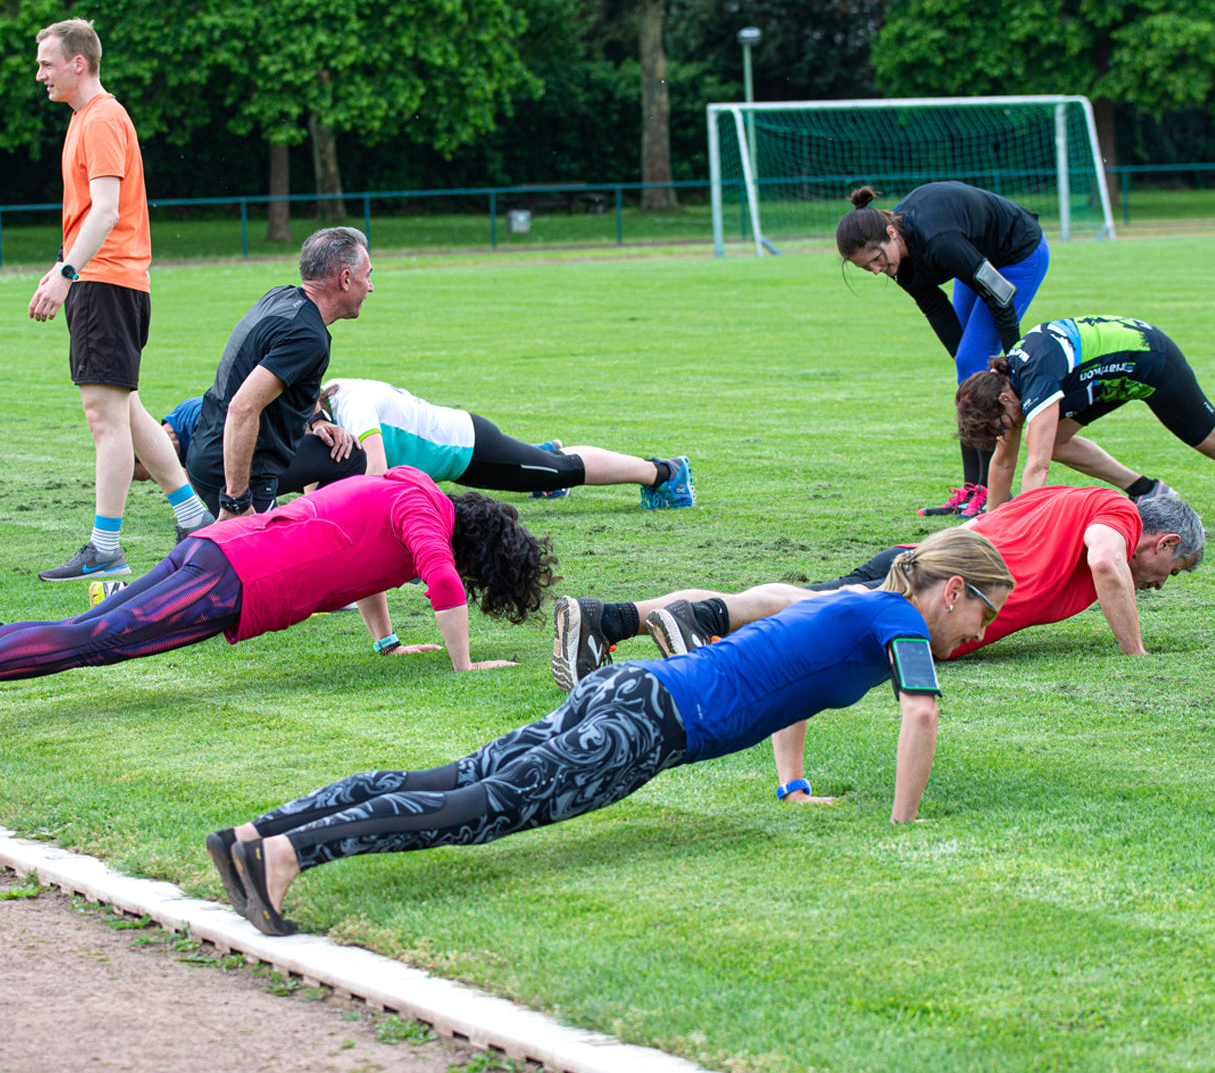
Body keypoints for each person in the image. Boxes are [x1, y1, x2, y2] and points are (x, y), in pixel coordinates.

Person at [204, 527, 1013, 935]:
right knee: (482, 805)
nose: (978, 630)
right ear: (950, 591)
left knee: (454, 779)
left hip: (633, 686)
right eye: (983, 610)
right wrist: (904, 822)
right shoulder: (902, 622)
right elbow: (922, 709)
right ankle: (286, 855)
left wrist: (790, 781)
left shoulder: (860, 607)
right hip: (651, 723)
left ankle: (251, 835)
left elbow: (795, 681)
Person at [552, 488, 1204, 703]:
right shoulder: (1114, 513)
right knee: (809, 609)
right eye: (1167, 572)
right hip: (931, 583)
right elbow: (1110, 565)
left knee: (810, 600)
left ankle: (606, 618)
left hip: (930, 571)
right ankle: (694, 618)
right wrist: (1136, 654)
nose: (1156, 584)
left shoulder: (1065, 498)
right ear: (1165, 543)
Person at [0, 467, 556, 681]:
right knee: (95, 644)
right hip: (238, 578)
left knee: (83, 628)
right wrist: (465, 664)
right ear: (479, 553)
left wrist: (388, 643)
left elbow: (371, 573)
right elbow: (442, 580)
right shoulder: (426, 516)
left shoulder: (410, 485)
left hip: (216, 548)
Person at [28, 18, 212, 581]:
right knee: (126, 411)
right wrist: (66, 271)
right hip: (104, 282)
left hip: (107, 282)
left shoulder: (103, 118)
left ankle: (105, 544)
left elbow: (106, 211)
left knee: (103, 416)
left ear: (78, 63)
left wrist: (67, 271)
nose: (40, 75)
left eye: (47, 64)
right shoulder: (85, 119)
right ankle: (194, 516)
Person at [836, 182, 1050, 518]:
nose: (877, 270)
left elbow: (1001, 297)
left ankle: (993, 492)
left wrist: (1012, 364)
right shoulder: (897, 259)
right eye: (867, 268)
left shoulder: (940, 241)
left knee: (972, 361)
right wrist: (970, 370)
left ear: (892, 232)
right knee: (968, 368)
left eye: (877, 259)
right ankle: (972, 491)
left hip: (1017, 253)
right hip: (972, 258)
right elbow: (934, 305)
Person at [185, 227, 371, 520]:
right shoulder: (308, 336)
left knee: (349, 456)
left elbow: (289, 375)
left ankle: (313, 532)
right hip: (234, 468)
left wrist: (318, 419)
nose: (370, 286)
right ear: (345, 279)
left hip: (206, 450)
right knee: (265, 563)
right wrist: (236, 501)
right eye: (367, 275)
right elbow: (243, 407)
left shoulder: (283, 298)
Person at [955, 315, 1215, 510]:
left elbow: (1037, 468)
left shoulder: (1037, 379)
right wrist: (992, 527)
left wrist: (1024, 530)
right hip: (1108, 377)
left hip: (1152, 358)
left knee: (1210, 443)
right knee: (1052, 441)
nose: (1007, 430)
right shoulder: (1007, 383)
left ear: (1004, 398)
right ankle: (1146, 490)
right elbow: (1002, 461)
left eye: (1003, 424)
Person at [317, 377, 695, 507]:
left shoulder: (348, 403)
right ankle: (536, 459)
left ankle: (665, 473)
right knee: (542, 467)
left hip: (467, 446)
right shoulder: (325, 407)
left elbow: (378, 475)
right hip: (456, 455)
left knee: (560, 471)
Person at [136, 394, 370, 500]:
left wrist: (317, 420)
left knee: (348, 457)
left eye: (151, 475)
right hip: (265, 454)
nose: (159, 480)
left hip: (269, 445)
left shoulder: (193, 421)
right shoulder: (180, 425)